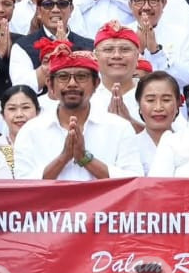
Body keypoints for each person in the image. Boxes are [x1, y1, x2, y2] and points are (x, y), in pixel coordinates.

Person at [11, 45, 141, 179]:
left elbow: (133, 180)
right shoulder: (30, 131)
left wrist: (85, 158)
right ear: (50, 85)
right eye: (63, 77)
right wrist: (64, 158)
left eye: (81, 76)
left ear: (96, 83)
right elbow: (23, 186)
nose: (72, 83)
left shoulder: (119, 128)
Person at [127, 0, 189, 90]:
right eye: (139, 1)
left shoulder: (180, 34)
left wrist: (156, 52)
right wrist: (138, 52)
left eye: (153, 0)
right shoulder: (122, 34)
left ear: (164, 3)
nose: (146, 7)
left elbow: (188, 78)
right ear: (130, 5)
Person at [17, 0, 94, 77]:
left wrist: (70, 52)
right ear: (39, 12)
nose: (55, 10)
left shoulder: (89, 46)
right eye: (48, 4)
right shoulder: (22, 46)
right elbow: (23, 85)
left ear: (71, 9)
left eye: (62, 4)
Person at [122, 71, 181, 174]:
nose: (158, 107)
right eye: (150, 100)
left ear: (177, 104)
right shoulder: (128, 146)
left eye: (166, 100)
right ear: (139, 104)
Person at [92, 21, 143, 127]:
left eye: (125, 49)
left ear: (137, 56)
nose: (116, 55)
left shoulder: (153, 91)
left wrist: (131, 123)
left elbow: (175, 138)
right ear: (95, 56)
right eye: (108, 49)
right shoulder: (83, 94)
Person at [0, 85, 41, 177]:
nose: (19, 115)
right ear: (2, 115)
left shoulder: (47, 145)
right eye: (12, 109)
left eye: (25, 107)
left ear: (38, 112)